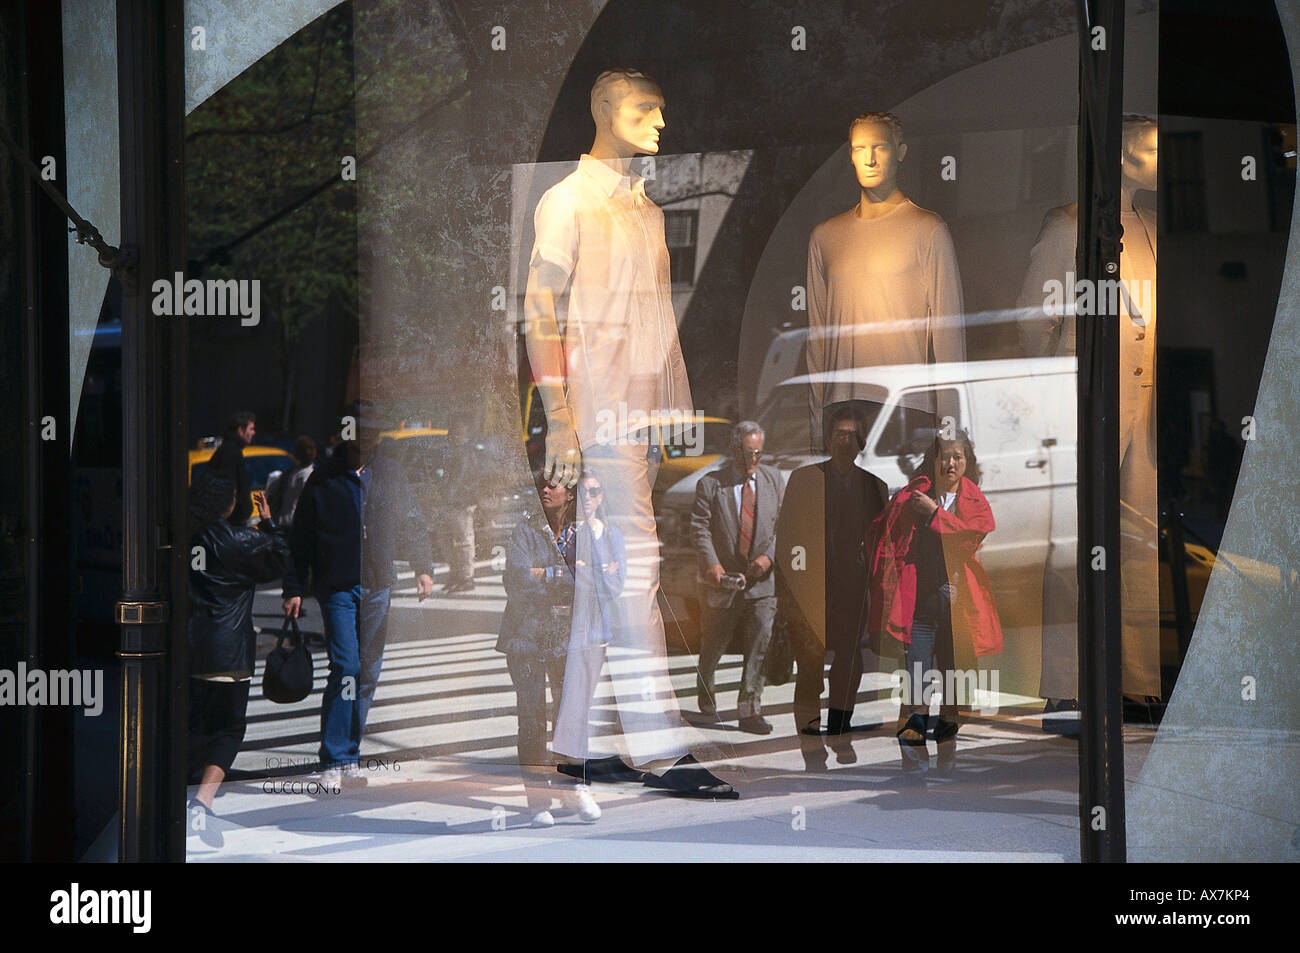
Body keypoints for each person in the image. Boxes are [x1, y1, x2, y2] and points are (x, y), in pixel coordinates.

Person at [523, 67, 734, 799]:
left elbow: (654, 326)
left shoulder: (645, 211)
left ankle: (576, 743)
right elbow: (540, 310)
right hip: (595, 418)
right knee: (635, 568)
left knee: (604, 578)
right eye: (648, 109)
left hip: (632, 421)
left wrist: (664, 414)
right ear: (606, 109)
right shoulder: (567, 201)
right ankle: (662, 748)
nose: (661, 124)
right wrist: (559, 421)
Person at [1017, 115, 1160, 721]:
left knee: (1139, 543)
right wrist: (1061, 378)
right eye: (1152, 148)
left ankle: (1136, 679)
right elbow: (1031, 319)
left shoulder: (1151, 230)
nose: (1161, 160)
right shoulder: (1068, 224)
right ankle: (1066, 682)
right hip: (1086, 403)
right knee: (1073, 545)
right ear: (1124, 156)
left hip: (1144, 404)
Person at [282, 411, 435, 786]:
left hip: (378, 582)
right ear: (347, 435)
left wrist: (423, 566)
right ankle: (333, 759)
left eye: (373, 434)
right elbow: (301, 537)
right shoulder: (324, 477)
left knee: (367, 671)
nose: (368, 440)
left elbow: (412, 519)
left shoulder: (389, 472)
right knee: (346, 666)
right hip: (337, 585)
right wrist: (294, 588)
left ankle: (350, 752)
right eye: (361, 433)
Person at [806, 111, 965, 447]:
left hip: (904, 407)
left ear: (900, 152)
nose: (870, 158)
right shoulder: (825, 236)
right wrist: (815, 424)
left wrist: (950, 432)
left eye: (881, 147)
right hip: (840, 411)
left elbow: (949, 338)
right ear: (849, 154)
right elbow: (817, 339)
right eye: (860, 148)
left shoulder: (927, 229)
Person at [867, 429, 1002, 759]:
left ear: (967, 462)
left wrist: (935, 515)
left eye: (957, 456)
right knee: (915, 688)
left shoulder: (973, 500)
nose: (951, 463)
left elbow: (969, 537)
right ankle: (913, 765)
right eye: (945, 456)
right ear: (934, 460)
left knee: (957, 692)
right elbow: (883, 539)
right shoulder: (912, 497)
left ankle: (947, 758)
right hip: (919, 607)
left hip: (959, 609)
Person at [775, 403, 889, 769]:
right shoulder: (805, 480)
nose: (844, 442)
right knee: (809, 671)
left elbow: (881, 547)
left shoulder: (874, 487)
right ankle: (811, 748)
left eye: (851, 436)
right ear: (828, 439)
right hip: (810, 594)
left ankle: (841, 733)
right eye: (838, 434)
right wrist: (790, 593)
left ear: (861, 442)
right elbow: (788, 538)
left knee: (849, 667)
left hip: (851, 595)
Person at [186, 473, 288, 845]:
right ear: (227, 504)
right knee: (228, 729)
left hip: (186, 650)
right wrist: (270, 521)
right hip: (227, 653)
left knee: (191, 727)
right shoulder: (235, 539)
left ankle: (180, 797)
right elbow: (280, 556)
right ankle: (202, 801)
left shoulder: (180, 535)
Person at [496, 476, 579, 827]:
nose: (545, 490)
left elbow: (595, 577)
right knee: (532, 721)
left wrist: (543, 573)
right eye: (542, 485)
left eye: (554, 485)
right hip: (526, 638)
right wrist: (563, 574)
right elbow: (515, 578)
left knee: (567, 718)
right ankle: (537, 801)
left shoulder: (581, 533)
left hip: (564, 638)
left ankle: (570, 790)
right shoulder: (524, 530)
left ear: (570, 494)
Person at [691, 421, 783, 734]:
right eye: (746, 454)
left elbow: (783, 525)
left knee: (759, 642)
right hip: (722, 580)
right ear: (733, 451)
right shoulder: (710, 484)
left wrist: (768, 557)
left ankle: (750, 710)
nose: (752, 461)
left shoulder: (773, 480)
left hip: (761, 581)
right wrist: (712, 564)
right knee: (715, 641)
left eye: (758, 453)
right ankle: (705, 683)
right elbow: (700, 528)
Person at [438, 427, 478, 594]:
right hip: (453, 502)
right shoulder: (455, 452)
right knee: (448, 540)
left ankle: (466, 577)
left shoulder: (465, 454)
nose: (451, 436)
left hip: (460, 502)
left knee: (462, 541)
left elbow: (461, 478)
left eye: (454, 433)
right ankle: (457, 576)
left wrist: (447, 496)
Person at [206, 411, 257, 523]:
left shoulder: (227, 450)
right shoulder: (232, 452)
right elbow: (228, 488)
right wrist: (241, 512)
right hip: (232, 522)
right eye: (251, 429)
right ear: (240, 430)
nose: (254, 432)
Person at [266, 435, 317, 528]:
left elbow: (271, 492)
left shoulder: (289, 473)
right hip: (296, 526)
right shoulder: (312, 477)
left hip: (281, 522)